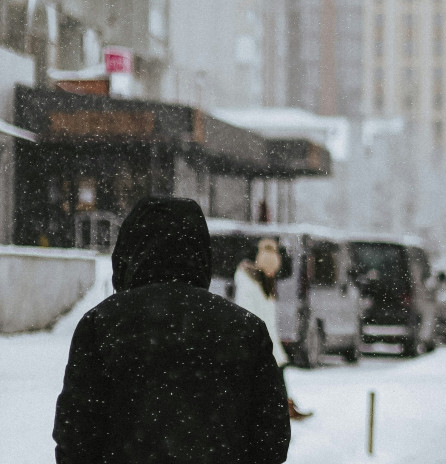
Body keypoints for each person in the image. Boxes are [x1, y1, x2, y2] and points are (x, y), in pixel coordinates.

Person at [53, 196, 290, 464]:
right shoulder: (244, 329)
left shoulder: (102, 325)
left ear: (128, 252)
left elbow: (75, 438)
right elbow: (272, 441)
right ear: (201, 251)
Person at [233, 237, 311, 420]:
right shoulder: (249, 284)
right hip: (257, 341)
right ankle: (278, 409)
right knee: (264, 379)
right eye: (270, 270)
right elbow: (248, 315)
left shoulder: (264, 283)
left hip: (268, 340)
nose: (272, 274)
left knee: (277, 373)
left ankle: (283, 407)